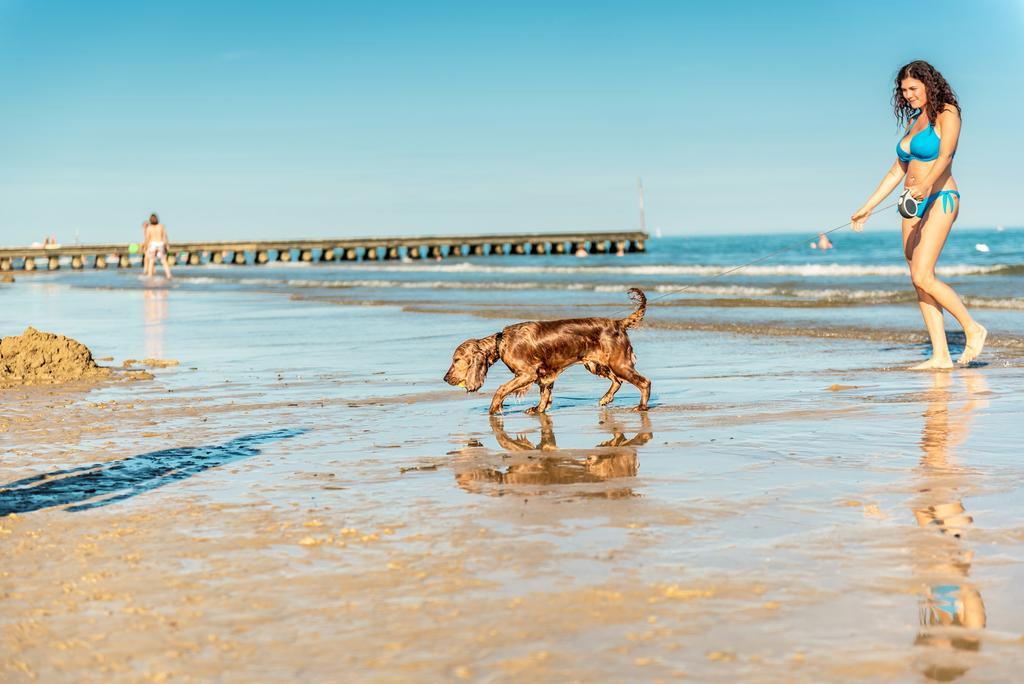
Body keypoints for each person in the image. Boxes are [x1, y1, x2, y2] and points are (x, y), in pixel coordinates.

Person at [851, 60, 986, 369]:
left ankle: (972, 328)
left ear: (928, 84)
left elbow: (946, 154)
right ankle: (940, 355)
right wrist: (868, 206)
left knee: (923, 274)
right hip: (910, 203)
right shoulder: (915, 120)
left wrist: (925, 184)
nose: (908, 95)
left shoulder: (947, 112)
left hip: (940, 196)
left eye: (913, 88)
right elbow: (896, 169)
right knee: (918, 280)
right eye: (903, 91)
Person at [141, 213, 172, 279]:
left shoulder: (149, 228)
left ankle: (150, 276)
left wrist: (145, 246)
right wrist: (167, 245)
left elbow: (147, 239)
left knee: (151, 261)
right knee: (164, 261)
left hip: (152, 244)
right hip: (160, 243)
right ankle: (168, 275)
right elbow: (165, 236)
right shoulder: (161, 226)